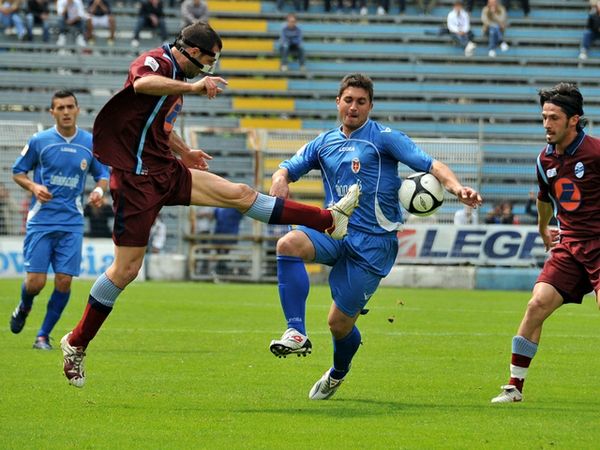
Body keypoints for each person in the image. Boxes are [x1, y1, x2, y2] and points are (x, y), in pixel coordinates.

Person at [59, 21, 360, 388]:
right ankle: (76, 342)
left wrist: (185, 151)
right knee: (125, 271)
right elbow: (141, 85)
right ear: (192, 52)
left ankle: (327, 220)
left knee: (240, 194)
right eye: (208, 60)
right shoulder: (157, 63)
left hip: (165, 171)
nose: (208, 69)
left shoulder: (178, 80)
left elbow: (158, 128)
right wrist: (193, 86)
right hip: (136, 181)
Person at [268, 73, 483, 400]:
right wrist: (280, 177)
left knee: (338, 325)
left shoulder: (385, 138)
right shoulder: (324, 142)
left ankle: (338, 373)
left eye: (361, 102)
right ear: (337, 102)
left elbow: (430, 164)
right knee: (288, 244)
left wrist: (456, 188)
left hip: (374, 245)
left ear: (370, 106)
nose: (353, 107)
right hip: (335, 230)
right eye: (348, 100)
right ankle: (295, 331)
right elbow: (288, 165)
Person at [491, 82, 600, 403]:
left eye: (553, 118)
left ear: (573, 120)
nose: (546, 125)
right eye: (543, 117)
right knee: (536, 304)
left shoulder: (595, 154)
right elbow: (544, 199)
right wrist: (543, 229)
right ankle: (514, 387)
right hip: (569, 246)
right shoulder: (544, 160)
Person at [8, 91, 109, 351]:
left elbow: (103, 174)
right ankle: (25, 304)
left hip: (72, 222)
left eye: (70, 107)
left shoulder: (89, 142)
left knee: (64, 281)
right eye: (60, 107)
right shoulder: (40, 141)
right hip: (42, 220)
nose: (65, 111)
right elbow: (18, 172)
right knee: (36, 283)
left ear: (77, 110)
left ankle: (43, 335)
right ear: (52, 112)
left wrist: (99, 190)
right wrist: (33, 186)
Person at [212, 207, 243, 275]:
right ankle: (221, 271)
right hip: (219, 233)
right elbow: (214, 215)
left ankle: (224, 272)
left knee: (225, 254)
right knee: (221, 255)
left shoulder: (235, 208)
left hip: (231, 234)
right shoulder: (218, 207)